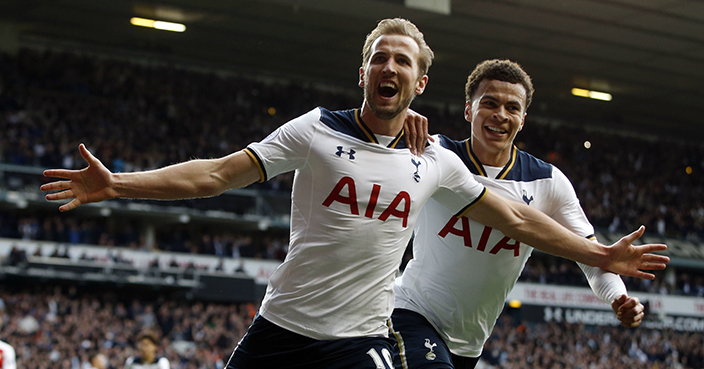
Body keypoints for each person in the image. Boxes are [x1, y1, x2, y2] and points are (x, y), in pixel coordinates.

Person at [41, 19, 668, 369]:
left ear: (420, 82)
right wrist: (118, 183)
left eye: (402, 61)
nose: (389, 68)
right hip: (284, 326)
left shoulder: (438, 162)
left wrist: (604, 261)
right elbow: (214, 175)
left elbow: (520, 222)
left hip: (362, 338)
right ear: (363, 70)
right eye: (379, 57)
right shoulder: (314, 132)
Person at [390, 59, 653, 369]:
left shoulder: (548, 183)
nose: (500, 115)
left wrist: (617, 297)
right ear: (468, 110)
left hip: (471, 340)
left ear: (523, 119)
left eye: (512, 108)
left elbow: (593, 257)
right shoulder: (435, 157)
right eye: (489, 103)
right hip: (413, 311)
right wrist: (397, 119)